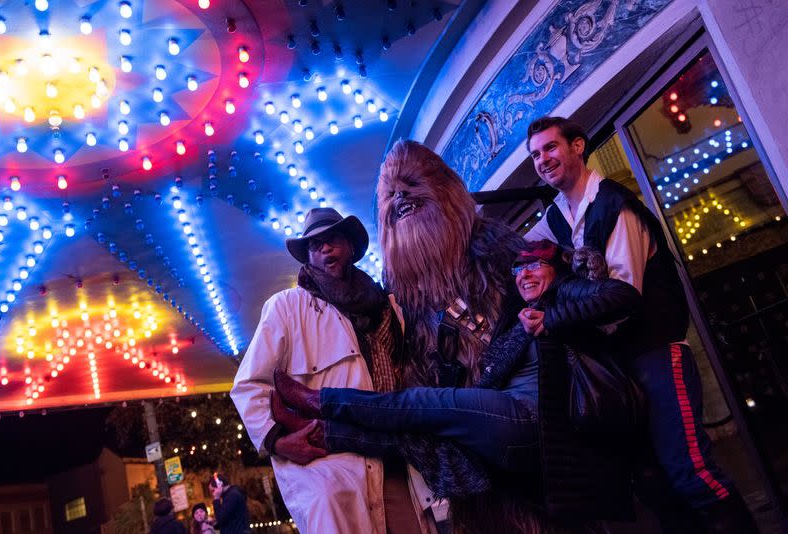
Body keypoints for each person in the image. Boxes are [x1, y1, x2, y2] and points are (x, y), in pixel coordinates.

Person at [271, 239, 643, 527]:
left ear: (556, 270)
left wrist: (553, 317)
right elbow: (493, 371)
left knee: (420, 403)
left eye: (535, 265)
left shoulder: (564, 294)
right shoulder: (517, 317)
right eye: (519, 268)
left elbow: (623, 296)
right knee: (414, 439)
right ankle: (323, 432)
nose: (525, 274)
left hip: (531, 421)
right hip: (515, 432)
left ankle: (321, 400)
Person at [522, 115, 758, 533]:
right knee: (652, 486)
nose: (543, 159)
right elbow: (517, 255)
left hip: (656, 352)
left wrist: (552, 318)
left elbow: (623, 296)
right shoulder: (557, 218)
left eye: (551, 147)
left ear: (578, 147)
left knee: (688, 471)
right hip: (616, 366)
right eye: (536, 154)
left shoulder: (614, 204)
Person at [230, 207, 436, 534]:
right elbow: (249, 386)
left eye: (333, 239)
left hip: (395, 456)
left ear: (350, 246)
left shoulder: (387, 308)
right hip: (328, 463)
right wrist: (277, 441)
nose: (325, 248)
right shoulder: (287, 308)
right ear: (308, 257)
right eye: (315, 244)